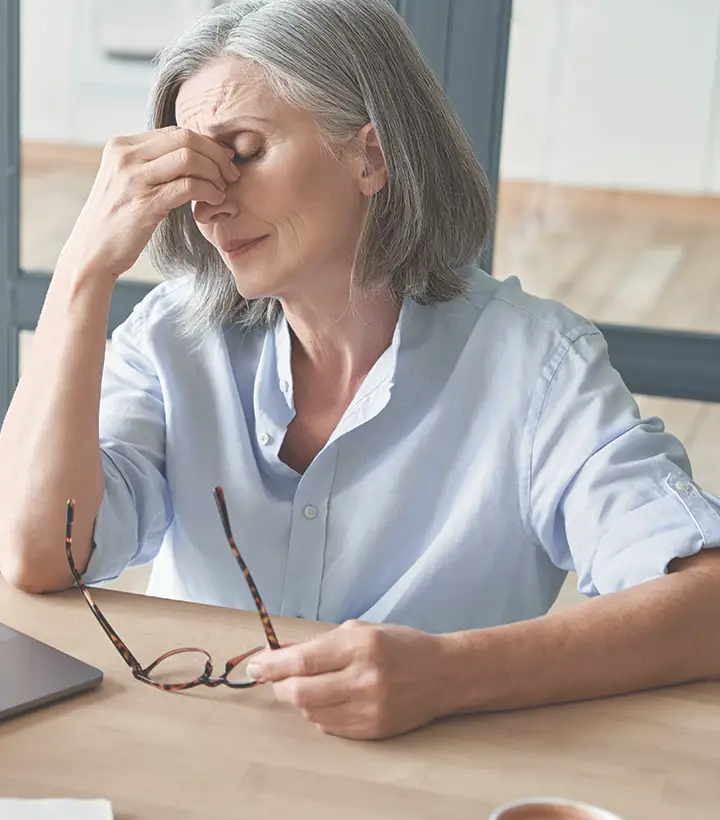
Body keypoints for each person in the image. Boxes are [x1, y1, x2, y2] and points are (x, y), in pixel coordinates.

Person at [1, 0, 720, 741]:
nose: (209, 206)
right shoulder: (172, 340)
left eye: (241, 152)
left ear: (370, 157)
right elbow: (40, 555)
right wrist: (83, 269)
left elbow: (707, 607)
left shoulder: (534, 367)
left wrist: (449, 674)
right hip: (204, 776)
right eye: (194, 170)